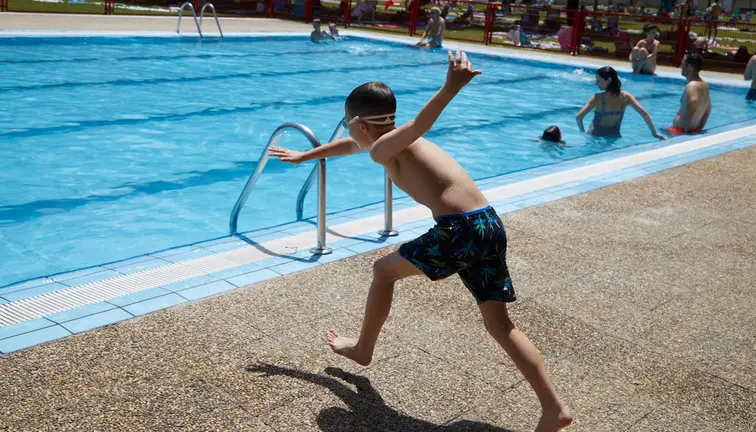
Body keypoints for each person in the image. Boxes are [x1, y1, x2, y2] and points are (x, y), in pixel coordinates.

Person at [268, 50, 573, 432]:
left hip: (460, 230)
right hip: (488, 224)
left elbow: (420, 123)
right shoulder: (387, 142)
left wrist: (450, 88)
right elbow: (351, 146)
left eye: (347, 125)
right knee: (499, 326)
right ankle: (553, 408)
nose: (347, 132)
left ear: (360, 124)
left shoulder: (386, 146)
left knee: (383, 271)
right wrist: (306, 155)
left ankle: (363, 349)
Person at [576, 66, 666, 139]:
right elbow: (644, 113)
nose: (596, 83)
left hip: (595, 137)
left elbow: (579, 117)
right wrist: (654, 133)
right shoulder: (626, 97)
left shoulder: (597, 98)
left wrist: (583, 134)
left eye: (599, 81)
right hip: (614, 137)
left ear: (609, 80)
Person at [669, 53, 711, 135]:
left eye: (683, 64)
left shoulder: (691, 86)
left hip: (680, 131)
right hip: (693, 129)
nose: (680, 66)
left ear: (690, 67)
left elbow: (692, 107)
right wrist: (700, 127)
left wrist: (685, 132)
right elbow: (708, 109)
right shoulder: (704, 85)